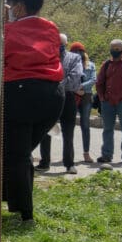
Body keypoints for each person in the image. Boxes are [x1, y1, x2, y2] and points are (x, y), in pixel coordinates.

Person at [0, 0, 64, 225]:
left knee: (17, 155)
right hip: (53, 96)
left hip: (20, 94)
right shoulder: (51, 28)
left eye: (12, 5)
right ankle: (14, 200)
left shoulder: (8, 32)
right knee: (20, 153)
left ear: (20, 7)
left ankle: (24, 213)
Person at [38, 33, 84, 173]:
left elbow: (75, 78)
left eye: (62, 45)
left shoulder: (75, 58)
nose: (59, 47)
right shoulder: (45, 57)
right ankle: (45, 162)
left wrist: (56, 86)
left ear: (66, 44)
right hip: (48, 97)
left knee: (68, 131)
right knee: (45, 130)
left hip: (67, 97)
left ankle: (69, 163)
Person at [70, 41, 97, 163]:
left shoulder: (90, 65)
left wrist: (80, 86)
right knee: (69, 125)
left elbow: (93, 79)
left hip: (86, 96)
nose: (78, 53)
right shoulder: (69, 64)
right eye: (75, 51)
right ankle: (69, 154)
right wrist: (76, 88)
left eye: (80, 51)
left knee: (85, 125)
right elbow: (66, 78)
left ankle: (86, 152)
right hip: (72, 95)